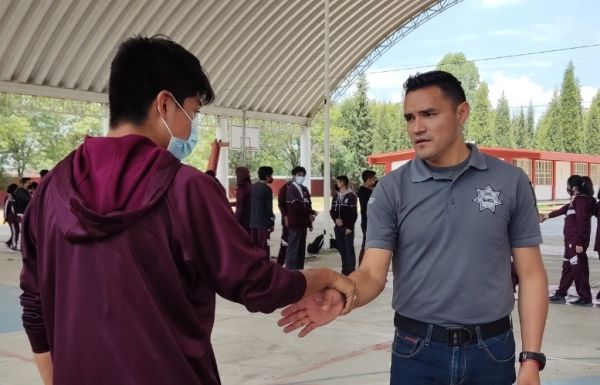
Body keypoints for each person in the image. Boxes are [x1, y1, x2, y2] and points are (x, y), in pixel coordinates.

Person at [19, 35, 355, 385]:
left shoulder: (51, 190)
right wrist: (327, 277)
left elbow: (35, 306)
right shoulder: (186, 188)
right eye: (192, 112)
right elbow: (258, 285)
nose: (191, 127)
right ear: (164, 105)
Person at [279, 70, 548, 385]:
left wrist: (531, 360)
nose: (416, 127)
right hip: (417, 350)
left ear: (462, 113)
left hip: (491, 350)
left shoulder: (509, 181)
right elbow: (372, 274)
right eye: (409, 118)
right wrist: (344, 295)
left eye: (429, 114)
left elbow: (531, 275)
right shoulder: (393, 189)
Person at [542, 175, 594, 306]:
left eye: (569, 185)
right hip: (570, 241)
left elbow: (583, 223)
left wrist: (580, 242)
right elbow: (563, 210)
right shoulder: (576, 200)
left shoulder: (582, 201)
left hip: (576, 242)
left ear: (575, 187)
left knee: (578, 269)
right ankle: (561, 293)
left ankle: (585, 297)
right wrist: (546, 216)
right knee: (568, 267)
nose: (568, 188)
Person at [285, 166, 317, 270]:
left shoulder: (304, 189)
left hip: (303, 224)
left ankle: (299, 271)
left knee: (301, 250)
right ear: (294, 176)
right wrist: (311, 212)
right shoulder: (291, 189)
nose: (301, 177)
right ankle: (291, 272)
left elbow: (308, 204)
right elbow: (297, 207)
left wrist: (310, 220)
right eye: (299, 175)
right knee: (293, 249)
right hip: (295, 224)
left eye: (303, 175)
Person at [330, 175, 358, 275]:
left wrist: (349, 227)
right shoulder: (336, 196)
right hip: (338, 228)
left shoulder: (351, 196)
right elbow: (332, 211)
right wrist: (335, 220)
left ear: (342, 183)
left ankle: (351, 271)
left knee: (349, 249)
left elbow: (353, 213)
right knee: (341, 249)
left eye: (338, 181)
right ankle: (344, 270)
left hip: (347, 228)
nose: (336, 183)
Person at [250, 166, 275, 260]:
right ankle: (265, 266)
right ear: (267, 176)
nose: (272, 178)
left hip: (253, 222)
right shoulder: (267, 190)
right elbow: (269, 209)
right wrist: (272, 223)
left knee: (254, 247)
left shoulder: (253, 187)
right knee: (264, 246)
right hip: (263, 223)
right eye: (271, 175)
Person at [356, 169, 377, 265]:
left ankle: (367, 265)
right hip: (367, 222)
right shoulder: (364, 192)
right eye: (373, 179)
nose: (374, 181)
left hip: (370, 222)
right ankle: (361, 265)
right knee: (366, 245)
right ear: (368, 180)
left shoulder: (367, 191)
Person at [234, 166, 252, 234]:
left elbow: (239, 208)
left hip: (243, 220)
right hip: (251, 220)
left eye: (237, 174)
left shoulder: (241, 188)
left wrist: (235, 222)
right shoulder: (250, 186)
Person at [276, 180, 290, 265]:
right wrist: (285, 216)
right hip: (287, 222)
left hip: (297, 222)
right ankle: (279, 264)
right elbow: (280, 204)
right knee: (285, 242)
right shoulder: (285, 188)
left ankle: (290, 264)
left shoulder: (302, 189)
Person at [3, 183, 19, 250]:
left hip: (14, 217)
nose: (17, 190)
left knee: (17, 230)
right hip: (10, 217)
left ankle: (9, 242)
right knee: (14, 231)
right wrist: (5, 217)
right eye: (16, 189)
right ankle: (13, 245)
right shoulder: (9, 196)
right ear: (13, 189)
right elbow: (6, 207)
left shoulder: (14, 196)